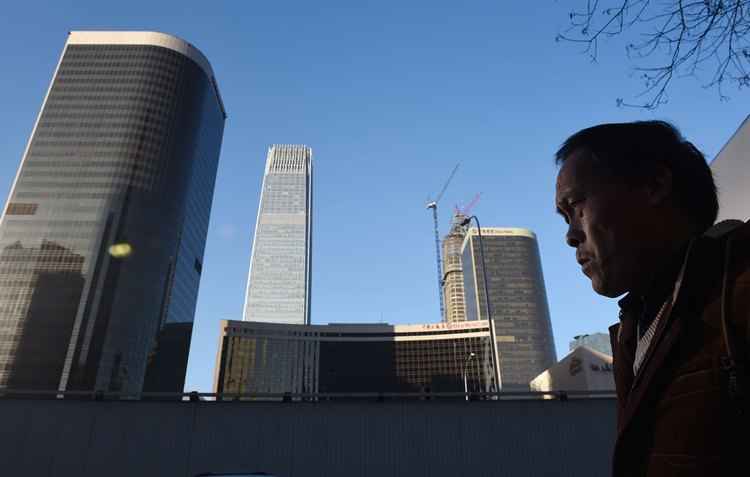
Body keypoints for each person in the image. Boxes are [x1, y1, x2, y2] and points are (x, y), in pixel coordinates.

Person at [554, 121, 748, 476]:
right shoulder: (636, 329)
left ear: (654, 185)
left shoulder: (738, 290)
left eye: (577, 206)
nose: (570, 236)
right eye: (565, 218)